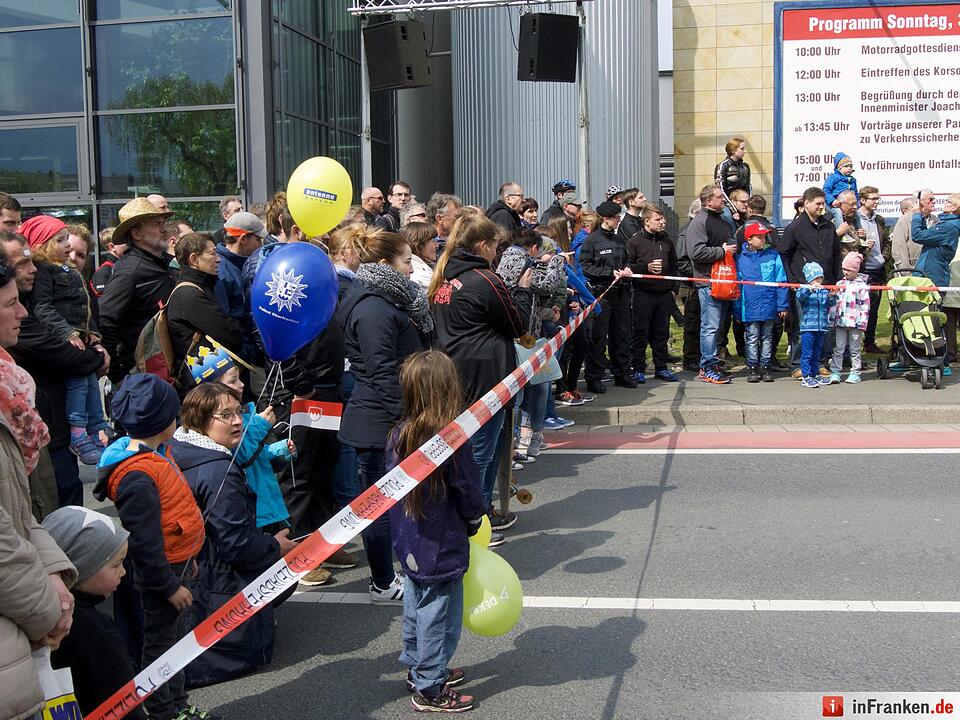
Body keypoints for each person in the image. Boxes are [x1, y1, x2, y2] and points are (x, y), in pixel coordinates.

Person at [93, 373, 206, 720]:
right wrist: (169, 585)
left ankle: (177, 703)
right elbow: (144, 543)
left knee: (177, 640)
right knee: (162, 646)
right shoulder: (138, 475)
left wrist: (188, 559)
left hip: (177, 565)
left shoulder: (155, 454)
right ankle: (163, 711)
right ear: (163, 422)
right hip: (162, 577)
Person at [170, 382, 295, 686]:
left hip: (189, 570)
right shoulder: (216, 472)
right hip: (211, 578)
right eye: (224, 415)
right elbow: (235, 545)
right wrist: (274, 547)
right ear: (200, 420)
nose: (237, 421)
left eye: (238, 412)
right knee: (284, 572)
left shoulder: (183, 450)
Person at [0, 243, 79, 720]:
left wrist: (55, 573)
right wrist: (48, 610)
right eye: (10, 303)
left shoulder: (9, 384)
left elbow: (17, 506)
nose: (23, 311)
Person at [386, 350, 486, 714]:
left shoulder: (399, 433)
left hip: (409, 539)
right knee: (439, 612)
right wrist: (476, 519)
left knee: (416, 600)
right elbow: (469, 490)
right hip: (441, 541)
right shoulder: (451, 440)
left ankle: (416, 665)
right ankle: (430, 683)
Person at [338, 231, 430, 603]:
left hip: (389, 419)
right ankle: (381, 580)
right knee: (377, 506)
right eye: (407, 260)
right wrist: (403, 421)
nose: (412, 269)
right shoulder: (373, 309)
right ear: (384, 265)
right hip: (379, 425)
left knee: (393, 501)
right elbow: (381, 372)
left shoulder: (385, 300)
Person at [430, 215, 532, 530]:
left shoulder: (444, 275)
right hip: (486, 376)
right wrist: (523, 291)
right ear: (484, 245)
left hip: (453, 372)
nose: (497, 254)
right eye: (495, 247)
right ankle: (476, 519)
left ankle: (479, 510)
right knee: (481, 453)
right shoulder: (484, 278)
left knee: (469, 450)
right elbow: (517, 325)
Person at [4, 233, 107, 510]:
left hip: (54, 425)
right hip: (43, 431)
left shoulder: (34, 305)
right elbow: (65, 355)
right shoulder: (30, 317)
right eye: (22, 264)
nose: (33, 269)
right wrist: (96, 356)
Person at [42, 506, 147, 720]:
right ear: (79, 567)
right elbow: (124, 707)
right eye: (116, 564)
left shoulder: (32, 614)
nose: (123, 572)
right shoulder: (99, 635)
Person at [20, 216, 110, 465]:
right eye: (61, 240)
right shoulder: (45, 273)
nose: (68, 246)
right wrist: (69, 333)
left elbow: (86, 308)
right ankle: (79, 432)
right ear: (43, 246)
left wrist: (94, 335)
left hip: (81, 338)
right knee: (79, 385)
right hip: (68, 340)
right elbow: (43, 308)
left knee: (91, 386)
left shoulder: (68, 271)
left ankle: (96, 428)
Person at [185, 342, 293, 532]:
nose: (241, 384)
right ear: (213, 389)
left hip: (266, 503)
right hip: (252, 511)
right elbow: (239, 456)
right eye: (233, 380)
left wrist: (279, 450)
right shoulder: (213, 425)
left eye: (239, 378)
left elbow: (256, 456)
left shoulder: (244, 411)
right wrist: (260, 426)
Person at [496, 228, 565, 459]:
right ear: (534, 248)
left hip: (527, 335)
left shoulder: (509, 257)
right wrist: (557, 260)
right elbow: (548, 285)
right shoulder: (519, 260)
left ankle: (527, 438)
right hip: (521, 338)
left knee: (538, 385)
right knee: (527, 390)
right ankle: (519, 443)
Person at [98, 197, 176, 383]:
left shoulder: (166, 263)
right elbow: (106, 320)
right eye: (157, 224)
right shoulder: (129, 271)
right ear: (137, 234)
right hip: (142, 374)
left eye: (163, 223)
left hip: (167, 370)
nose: (164, 229)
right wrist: (118, 375)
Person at [166, 233, 244, 391]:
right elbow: (231, 334)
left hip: (208, 382)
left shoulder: (199, 287)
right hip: (203, 386)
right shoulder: (190, 295)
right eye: (212, 253)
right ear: (194, 259)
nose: (218, 259)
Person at [779, 187, 842, 379]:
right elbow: (784, 253)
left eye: (823, 204)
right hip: (804, 287)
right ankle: (798, 364)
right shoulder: (795, 227)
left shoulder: (828, 227)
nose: (821, 207)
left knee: (824, 327)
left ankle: (819, 362)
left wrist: (837, 279)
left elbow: (836, 254)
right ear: (806, 203)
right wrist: (792, 280)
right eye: (818, 204)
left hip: (827, 285)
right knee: (802, 327)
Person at [580, 200, 635, 391]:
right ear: (606, 219)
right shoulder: (592, 241)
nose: (619, 220)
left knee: (622, 335)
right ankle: (594, 378)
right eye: (616, 217)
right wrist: (608, 273)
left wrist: (627, 268)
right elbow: (586, 267)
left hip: (621, 293)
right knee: (598, 337)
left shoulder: (620, 239)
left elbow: (627, 258)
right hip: (601, 293)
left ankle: (622, 373)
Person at [687, 184, 737, 384]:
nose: (723, 200)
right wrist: (721, 251)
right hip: (708, 281)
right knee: (710, 326)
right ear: (708, 201)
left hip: (725, 280)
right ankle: (706, 367)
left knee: (719, 327)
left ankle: (714, 364)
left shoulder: (723, 221)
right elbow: (696, 252)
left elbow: (731, 244)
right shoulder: (700, 222)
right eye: (719, 197)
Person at [626, 205, 679, 383]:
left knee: (661, 333)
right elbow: (628, 267)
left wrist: (673, 289)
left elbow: (674, 266)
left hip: (664, 294)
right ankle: (638, 368)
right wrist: (645, 268)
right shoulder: (635, 242)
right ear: (646, 221)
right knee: (641, 332)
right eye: (658, 219)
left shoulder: (667, 240)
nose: (662, 222)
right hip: (643, 293)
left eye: (663, 219)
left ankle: (661, 367)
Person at [734, 222, 788, 383]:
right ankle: (752, 367)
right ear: (749, 239)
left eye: (764, 236)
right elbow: (737, 286)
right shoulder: (741, 259)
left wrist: (782, 304)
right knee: (751, 336)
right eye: (759, 237)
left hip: (769, 304)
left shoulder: (773, 255)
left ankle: (765, 366)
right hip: (749, 306)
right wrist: (737, 309)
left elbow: (781, 280)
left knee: (767, 337)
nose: (763, 239)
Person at [215, 211, 266, 363]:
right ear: (244, 239)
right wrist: (245, 354)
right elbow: (224, 323)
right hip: (240, 357)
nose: (261, 245)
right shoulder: (222, 272)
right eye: (258, 239)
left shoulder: (242, 263)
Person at [827, 252, 870, 385]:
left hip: (855, 324)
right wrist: (832, 318)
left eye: (849, 270)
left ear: (856, 270)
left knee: (855, 349)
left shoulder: (862, 286)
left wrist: (863, 323)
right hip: (841, 322)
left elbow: (865, 306)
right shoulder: (840, 283)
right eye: (844, 269)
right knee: (838, 348)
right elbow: (835, 304)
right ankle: (835, 372)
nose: (845, 272)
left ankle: (855, 372)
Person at [856, 186, 889, 354]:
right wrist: (861, 245)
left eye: (878, 198)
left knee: (874, 310)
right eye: (873, 198)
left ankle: (869, 343)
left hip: (877, 269)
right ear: (862, 200)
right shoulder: (854, 219)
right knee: (857, 309)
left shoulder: (879, 220)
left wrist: (883, 257)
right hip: (860, 270)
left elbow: (886, 243)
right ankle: (852, 347)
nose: (876, 201)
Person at [796, 262, 837, 388]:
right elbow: (800, 297)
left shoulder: (823, 291)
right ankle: (806, 375)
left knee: (817, 353)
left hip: (821, 326)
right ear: (810, 279)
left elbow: (829, 303)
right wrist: (810, 289)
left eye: (820, 278)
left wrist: (831, 295)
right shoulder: (804, 289)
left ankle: (814, 374)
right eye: (816, 278)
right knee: (807, 353)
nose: (819, 281)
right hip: (808, 327)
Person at [912, 192, 960, 293]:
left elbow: (918, 236)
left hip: (932, 277)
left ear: (954, 208)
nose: (944, 203)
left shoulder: (948, 227)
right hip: (930, 274)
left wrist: (916, 214)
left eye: (948, 201)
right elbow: (926, 236)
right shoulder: (947, 225)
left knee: (930, 308)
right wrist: (922, 215)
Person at [675, 199, 702, 372]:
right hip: (690, 285)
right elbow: (681, 261)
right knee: (692, 322)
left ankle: (701, 356)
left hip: (701, 282)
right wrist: (697, 275)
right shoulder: (686, 232)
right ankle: (690, 358)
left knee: (703, 323)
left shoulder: (699, 230)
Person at [892, 189, 938, 271]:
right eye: (930, 199)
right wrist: (906, 271)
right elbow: (899, 247)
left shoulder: (936, 220)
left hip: (932, 270)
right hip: (912, 271)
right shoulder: (905, 220)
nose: (934, 201)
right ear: (918, 202)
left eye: (934, 199)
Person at [402, 221, 439, 290]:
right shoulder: (417, 274)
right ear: (419, 245)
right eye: (433, 241)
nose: (437, 245)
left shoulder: (425, 267)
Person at [90, 227, 125, 297]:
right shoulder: (104, 271)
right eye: (124, 242)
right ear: (112, 247)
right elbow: (102, 300)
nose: (129, 245)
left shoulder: (125, 265)